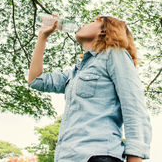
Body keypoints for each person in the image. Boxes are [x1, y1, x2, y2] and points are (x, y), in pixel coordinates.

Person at [28, 15, 152, 162]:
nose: (84, 23)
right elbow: (36, 80)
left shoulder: (114, 54)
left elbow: (134, 107)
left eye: (93, 21)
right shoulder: (75, 72)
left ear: (104, 31)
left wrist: (135, 158)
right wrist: (42, 36)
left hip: (98, 155)